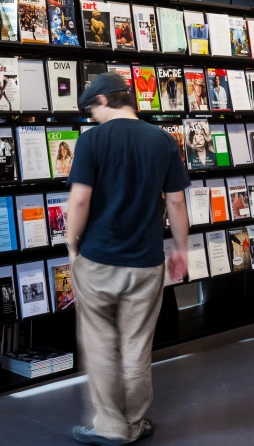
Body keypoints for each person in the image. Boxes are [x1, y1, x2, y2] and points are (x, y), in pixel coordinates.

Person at [65, 73, 191, 445]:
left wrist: (72, 246)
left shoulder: (92, 141)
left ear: (104, 101)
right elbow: (177, 202)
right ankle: (134, 423)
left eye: (92, 109)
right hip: (146, 260)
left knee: (101, 342)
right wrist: (181, 249)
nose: (91, 117)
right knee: (137, 344)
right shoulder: (162, 140)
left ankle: (110, 426)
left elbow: (80, 200)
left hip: (97, 260)